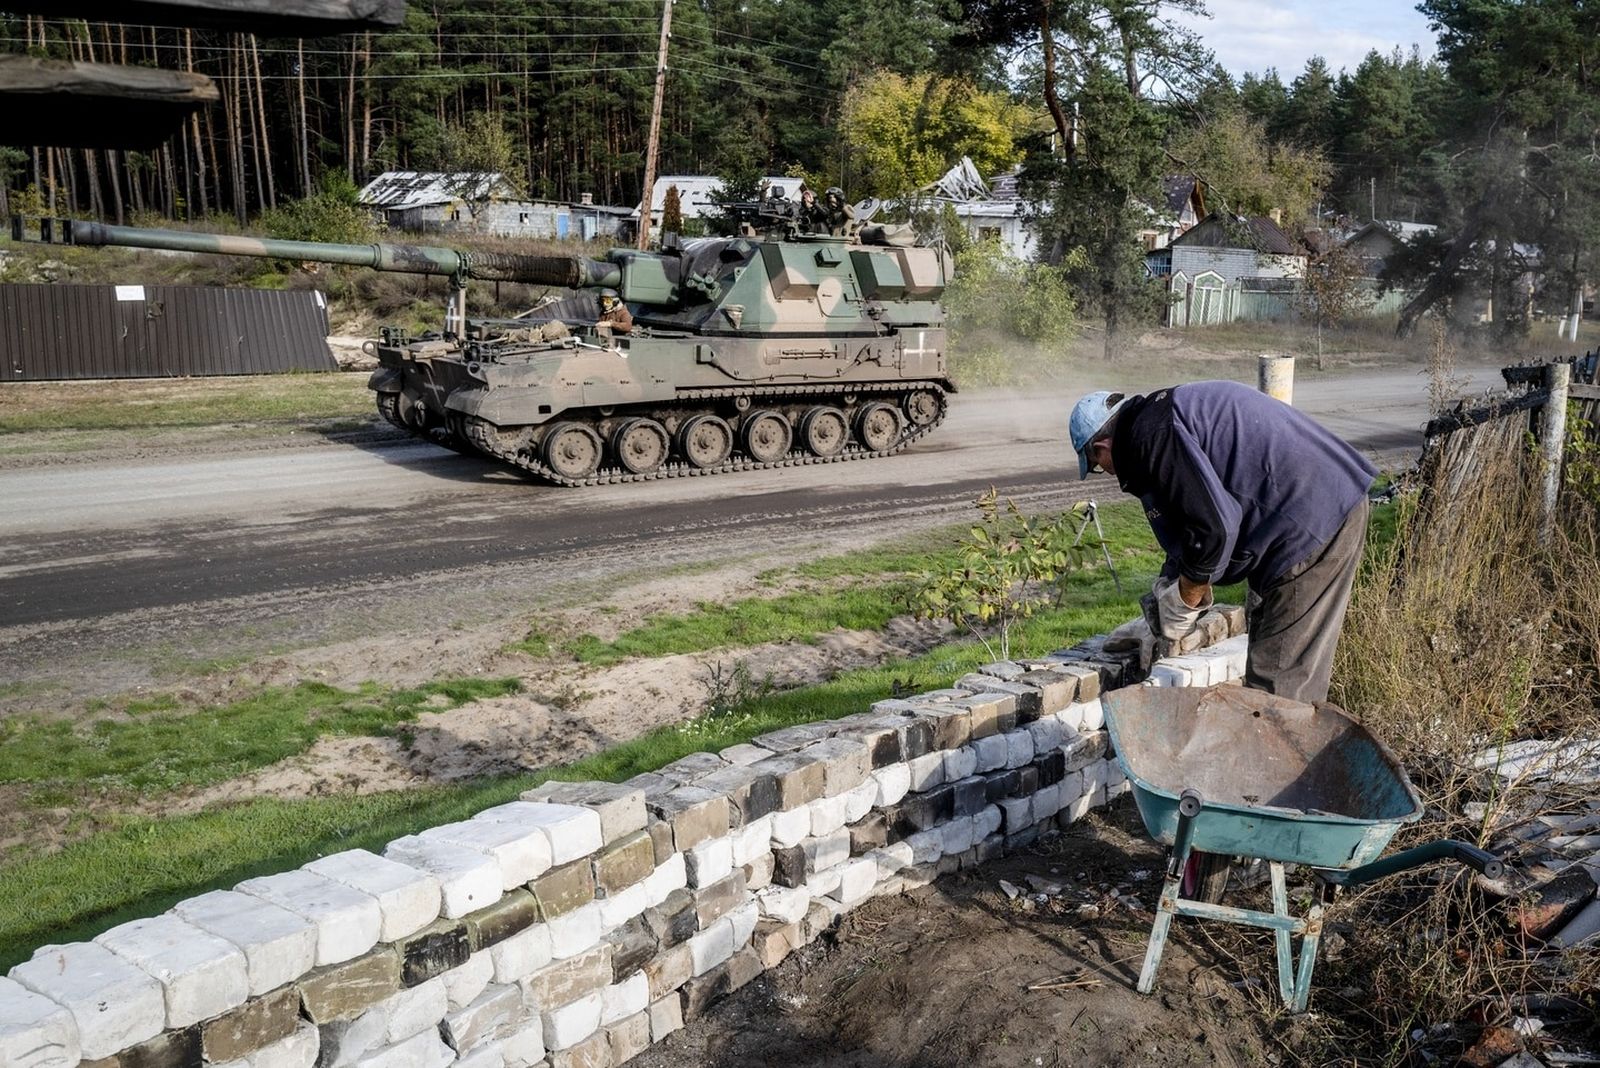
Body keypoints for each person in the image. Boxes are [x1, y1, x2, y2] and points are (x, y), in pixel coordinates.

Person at [1068, 380, 1377, 704]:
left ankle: (1277, 751)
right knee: (1276, 663)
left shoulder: (1153, 438)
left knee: (1280, 689)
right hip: (1310, 509)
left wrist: (1183, 604)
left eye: (1096, 466)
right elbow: (1189, 528)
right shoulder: (1157, 422)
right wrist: (1159, 616)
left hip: (1310, 520)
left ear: (1102, 447)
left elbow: (1214, 532)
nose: (1105, 471)